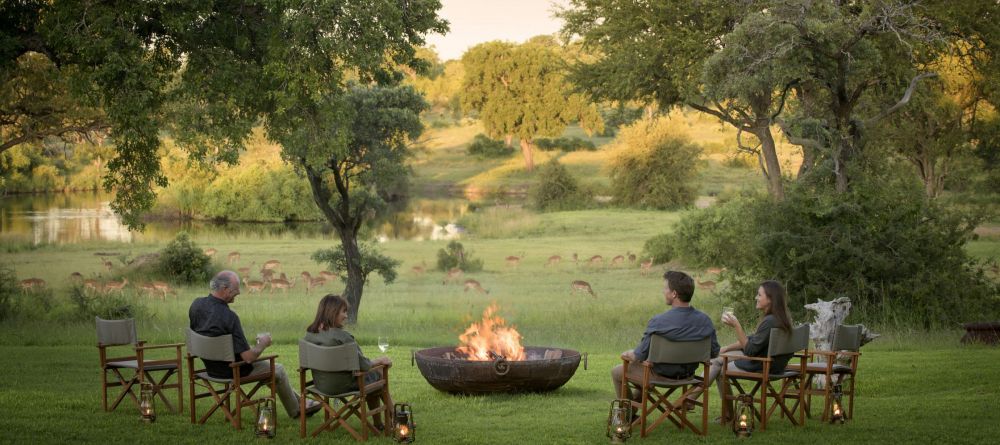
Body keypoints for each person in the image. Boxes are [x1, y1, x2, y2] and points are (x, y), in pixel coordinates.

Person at [189, 270, 320, 419]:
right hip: (233, 370)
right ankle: (296, 410)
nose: (239, 292)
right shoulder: (229, 317)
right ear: (224, 289)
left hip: (209, 367)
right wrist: (263, 343)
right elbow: (249, 358)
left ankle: (302, 403)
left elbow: (201, 333)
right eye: (236, 289)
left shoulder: (196, 305)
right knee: (278, 370)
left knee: (270, 372)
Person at [687, 280, 794, 421]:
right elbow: (752, 340)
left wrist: (736, 325)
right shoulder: (781, 318)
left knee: (718, 365)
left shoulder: (770, 322)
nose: (756, 297)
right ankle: (692, 400)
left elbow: (749, 350)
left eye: (759, 295)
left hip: (762, 365)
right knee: (717, 359)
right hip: (771, 362)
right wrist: (725, 349)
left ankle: (692, 401)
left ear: (770, 299)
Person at [612, 271, 720, 401]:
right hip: (688, 376)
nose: (663, 291)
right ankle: (632, 412)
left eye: (665, 288)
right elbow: (714, 353)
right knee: (643, 369)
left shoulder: (658, 322)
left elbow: (639, 355)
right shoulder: (705, 321)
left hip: (659, 375)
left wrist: (629, 353)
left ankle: (625, 415)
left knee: (618, 371)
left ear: (674, 294)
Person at [303, 294, 393, 430]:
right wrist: (381, 360)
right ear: (332, 312)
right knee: (378, 372)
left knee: (372, 379)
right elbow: (364, 365)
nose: (346, 316)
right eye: (343, 311)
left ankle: (382, 423)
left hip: (321, 385)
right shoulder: (344, 338)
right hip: (345, 385)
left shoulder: (309, 335)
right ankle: (395, 418)